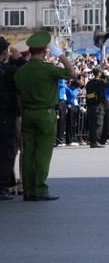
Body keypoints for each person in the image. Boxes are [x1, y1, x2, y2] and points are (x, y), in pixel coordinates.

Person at [14, 31, 77, 201]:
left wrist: (23, 113)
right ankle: (39, 189)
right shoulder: (48, 69)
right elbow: (72, 73)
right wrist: (62, 55)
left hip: (27, 113)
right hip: (45, 114)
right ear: (44, 51)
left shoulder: (21, 72)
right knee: (42, 154)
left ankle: (28, 190)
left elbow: (18, 97)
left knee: (27, 154)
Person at [0, 37, 25, 199]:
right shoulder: (9, 71)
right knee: (6, 152)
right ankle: (2, 185)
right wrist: (20, 60)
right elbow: (28, 74)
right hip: (6, 116)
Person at [84, 68, 108, 149]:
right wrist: (108, 76)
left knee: (92, 124)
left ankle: (93, 141)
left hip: (90, 105)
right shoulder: (99, 81)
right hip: (98, 105)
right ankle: (95, 141)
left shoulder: (89, 83)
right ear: (99, 73)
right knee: (98, 124)